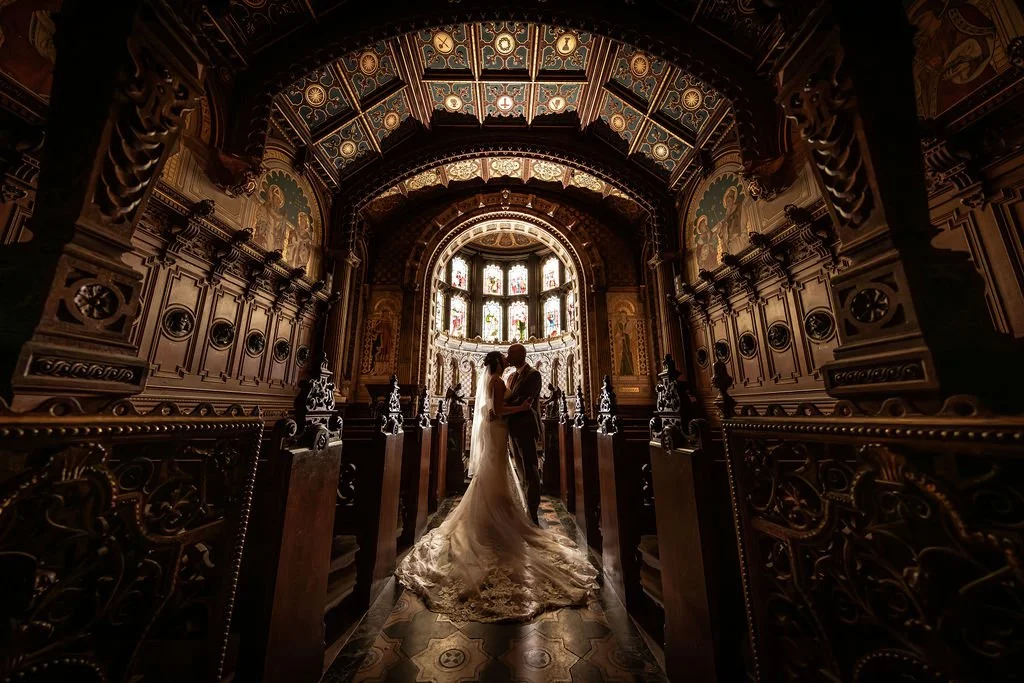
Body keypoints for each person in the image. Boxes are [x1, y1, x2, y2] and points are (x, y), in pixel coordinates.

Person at [396, 350, 598, 622]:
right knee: (504, 475)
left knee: (520, 474)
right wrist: (519, 408)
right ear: (501, 363)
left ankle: (521, 514)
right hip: (503, 429)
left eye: (511, 355)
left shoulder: (521, 376)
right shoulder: (502, 380)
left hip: (512, 430)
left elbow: (496, 408)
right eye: (505, 357)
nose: (508, 358)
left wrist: (518, 409)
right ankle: (500, 519)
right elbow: (497, 409)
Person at [503, 343, 543, 524]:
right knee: (520, 468)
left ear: (521, 355)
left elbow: (523, 399)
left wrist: (501, 408)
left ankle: (533, 510)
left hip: (526, 427)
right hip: (513, 428)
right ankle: (526, 505)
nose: (508, 357)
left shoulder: (534, 375)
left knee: (530, 469)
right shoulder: (512, 376)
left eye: (511, 354)